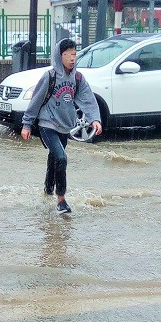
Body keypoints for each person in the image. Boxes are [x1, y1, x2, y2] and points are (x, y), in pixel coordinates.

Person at [20, 38, 102, 215]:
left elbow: (87, 99)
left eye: (74, 54)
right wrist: (26, 125)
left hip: (64, 125)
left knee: (54, 158)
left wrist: (94, 119)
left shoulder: (77, 78)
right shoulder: (50, 76)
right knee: (62, 157)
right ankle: (61, 200)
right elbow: (36, 100)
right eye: (68, 55)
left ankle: (47, 190)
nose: (72, 58)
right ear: (60, 56)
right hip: (47, 124)